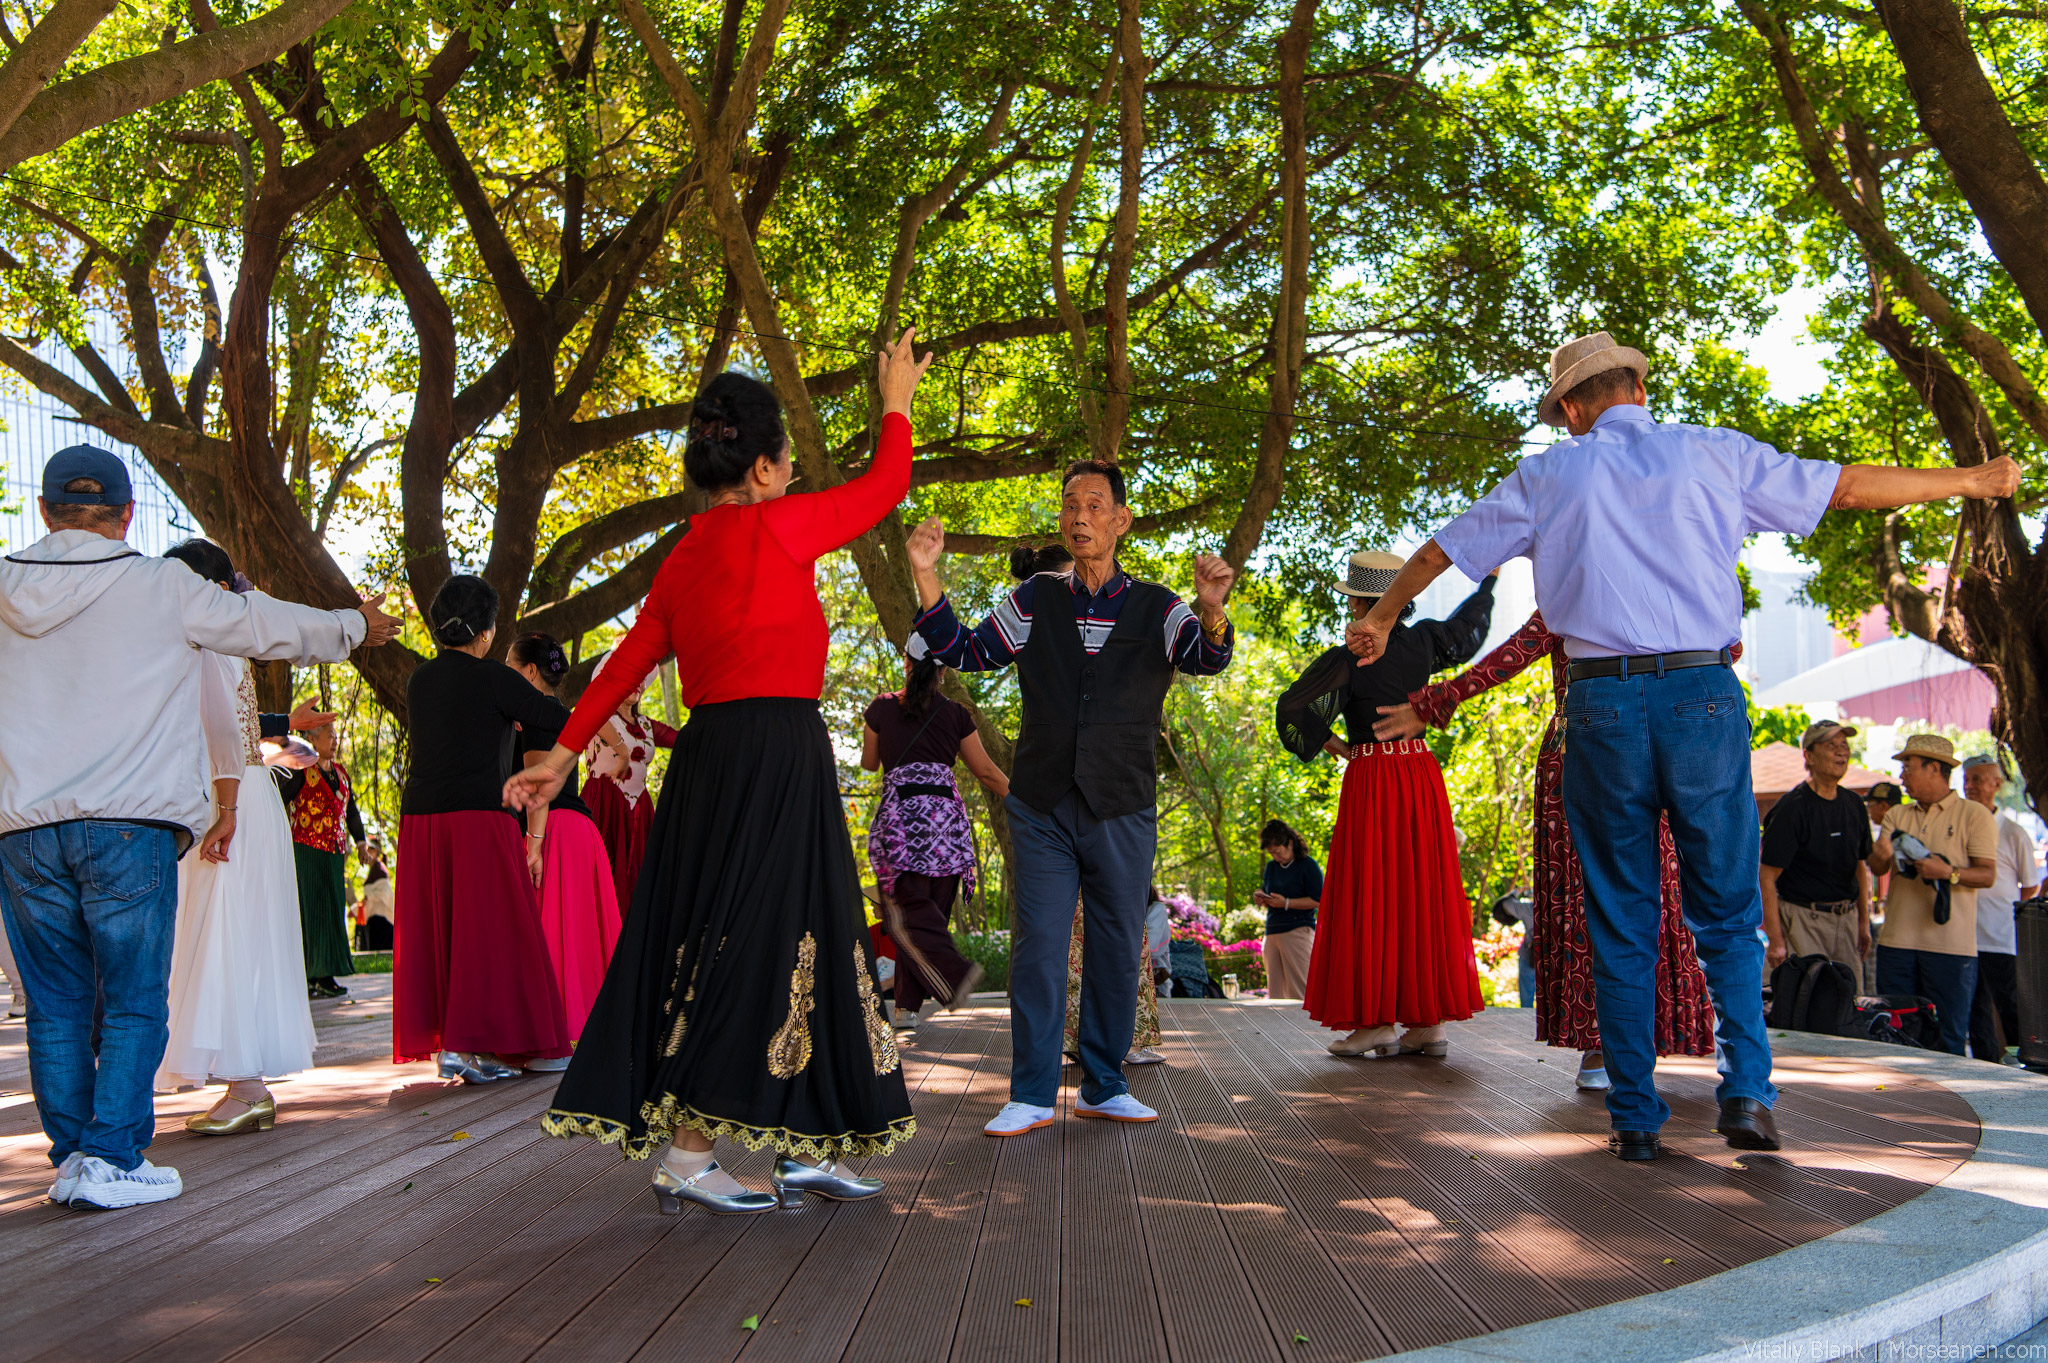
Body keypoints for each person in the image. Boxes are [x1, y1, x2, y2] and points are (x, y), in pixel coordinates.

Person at [1345, 331, 2020, 1159]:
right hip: (1701, 693)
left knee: (1620, 912)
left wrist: (1383, 616)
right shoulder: (1713, 452)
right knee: (1728, 912)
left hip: (1598, 704)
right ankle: (1747, 1092)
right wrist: (1972, 479)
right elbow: (1846, 486)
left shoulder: (1548, 473)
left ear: (1571, 409)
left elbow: (1441, 552)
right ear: (1637, 388)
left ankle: (1634, 1115)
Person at [509, 331, 933, 1215]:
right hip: (777, 755)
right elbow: (887, 485)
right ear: (768, 468)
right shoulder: (784, 523)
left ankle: (804, 1143)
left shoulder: (683, 557)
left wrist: (560, 755)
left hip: (715, 761)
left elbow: (622, 667)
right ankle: (689, 1152)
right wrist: (895, 399)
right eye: (788, 460)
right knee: (755, 939)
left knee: (795, 933)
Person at [0, 445, 394, 1208]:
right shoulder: (163, 585)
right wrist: (353, 624)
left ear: (45, 511)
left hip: (24, 829)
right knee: (134, 996)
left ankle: (74, 1156)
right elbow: (261, 624)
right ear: (127, 515)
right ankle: (112, 1155)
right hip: (130, 823)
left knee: (54, 1003)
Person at [906, 463, 1236, 1137]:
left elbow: (1206, 658)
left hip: (1122, 804)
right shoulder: (1034, 599)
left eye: (1094, 504)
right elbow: (966, 650)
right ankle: (1030, 1092)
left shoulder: (1160, 605)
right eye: (1069, 505)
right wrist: (926, 573)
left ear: (1121, 520)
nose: (1079, 515)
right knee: (1039, 947)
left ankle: (1105, 1085)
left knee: (1116, 947)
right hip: (1043, 804)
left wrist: (1212, 608)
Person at [1375, 609, 1718, 1089]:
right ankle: (1618, 1041)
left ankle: (1621, 1041)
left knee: (1625, 890)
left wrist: (1437, 699)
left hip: (1607, 741)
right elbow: (1727, 646)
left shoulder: (1583, 592)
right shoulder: (1616, 591)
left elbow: (1511, 656)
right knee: (1617, 890)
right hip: (1633, 740)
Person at [1276, 551, 1494, 1059]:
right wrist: (1488, 583)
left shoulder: (1349, 658)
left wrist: (1330, 743)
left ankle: (1375, 1023)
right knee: (1420, 892)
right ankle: (1427, 1024)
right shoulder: (1425, 643)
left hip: (1373, 778)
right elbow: (1468, 628)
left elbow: (1292, 708)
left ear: (1358, 602)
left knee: (1370, 891)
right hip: (1420, 776)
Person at [155, 540, 321, 1137]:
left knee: (224, 927)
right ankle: (244, 1084)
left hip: (228, 798)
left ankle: (247, 1086)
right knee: (232, 927)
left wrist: (224, 811)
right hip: (245, 793)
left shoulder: (209, 644)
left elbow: (225, 733)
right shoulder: (226, 643)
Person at [394, 574, 575, 1083]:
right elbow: (555, 717)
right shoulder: (495, 678)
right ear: (488, 632)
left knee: (448, 932)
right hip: (478, 817)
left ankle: (459, 1045)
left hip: (423, 821)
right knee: (500, 931)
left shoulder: (419, 679)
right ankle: (483, 1043)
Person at [861, 649, 1008, 1029]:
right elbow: (986, 772)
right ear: (943, 672)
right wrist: (1027, 804)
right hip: (946, 827)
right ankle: (906, 1006)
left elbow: (869, 763)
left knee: (907, 914)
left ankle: (954, 975)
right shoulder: (956, 713)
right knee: (930, 915)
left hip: (903, 824)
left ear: (906, 663)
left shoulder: (881, 708)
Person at [509, 631, 623, 1043]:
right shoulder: (562, 712)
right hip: (580, 833)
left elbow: (540, 786)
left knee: (551, 938)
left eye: (510, 666)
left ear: (530, 672)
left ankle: (550, 1032)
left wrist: (533, 841)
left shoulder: (538, 713)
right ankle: (579, 1031)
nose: (505, 674)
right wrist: (621, 751)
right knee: (578, 941)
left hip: (552, 829)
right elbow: (602, 723)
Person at [1868, 735, 1999, 1056]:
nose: (1902, 776)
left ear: (1935, 769)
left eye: (1908, 767)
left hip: (1951, 948)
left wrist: (1948, 872)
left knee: (1948, 1041)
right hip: (1896, 944)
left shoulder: (1974, 814)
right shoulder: (1897, 815)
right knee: (1894, 1037)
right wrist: (1880, 854)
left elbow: (1987, 874)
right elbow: (1878, 866)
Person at [1760, 721, 1875, 975]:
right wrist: (1776, 942)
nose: (1841, 751)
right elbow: (1767, 876)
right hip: (1804, 921)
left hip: (1847, 918)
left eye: (1844, 745)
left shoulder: (1854, 804)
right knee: (1808, 994)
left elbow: (1860, 866)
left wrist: (1863, 922)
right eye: (1830, 745)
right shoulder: (1791, 808)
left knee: (1850, 994)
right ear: (1809, 756)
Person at [579, 658, 679, 912]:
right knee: (601, 876)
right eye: (631, 676)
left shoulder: (646, 724)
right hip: (604, 802)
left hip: (640, 810)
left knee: (638, 879)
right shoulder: (598, 712)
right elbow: (590, 713)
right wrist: (622, 751)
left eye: (641, 678)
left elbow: (683, 740)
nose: (638, 683)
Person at [278, 721, 366, 1000]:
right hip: (306, 852)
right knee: (310, 910)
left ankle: (325, 975)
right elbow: (280, 799)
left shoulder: (341, 774)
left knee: (331, 911)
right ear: (313, 740)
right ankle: (309, 976)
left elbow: (351, 811)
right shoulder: (301, 771)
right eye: (330, 736)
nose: (335, 740)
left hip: (334, 854)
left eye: (336, 736)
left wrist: (361, 842)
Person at [1962, 754, 2039, 1063]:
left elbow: (2029, 886)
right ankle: (1984, 1065)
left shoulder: (2012, 832)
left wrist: (2005, 916)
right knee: (1975, 1010)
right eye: (1967, 780)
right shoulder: (1960, 825)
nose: (1970, 786)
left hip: (2000, 938)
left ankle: (2025, 1064)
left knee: (2010, 1005)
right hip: (1963, 939)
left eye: (1977, 780)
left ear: (1996, 784)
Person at [1253, 820, 1320, 1002]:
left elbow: (1318, 900)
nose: (1276, 857)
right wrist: (1262, 897)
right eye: (1271, 853)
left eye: (1278, 851)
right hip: (1272, 932)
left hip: (1297, 931)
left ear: (1289, 843)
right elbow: (1268, 893)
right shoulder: (1271, 867)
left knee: (1300, 991)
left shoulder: (1307, 865)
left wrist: (1287, 903)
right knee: (1276, 994)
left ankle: (1304, 1021)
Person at [356, 835, 394, 951]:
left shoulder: (380, 870)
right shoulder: (373, 871)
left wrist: (369, 898)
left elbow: (384, 893)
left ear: (376, 851)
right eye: (367, 849)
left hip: (382, 920)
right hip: (373, 920)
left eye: (370, 849)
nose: (368, 852)